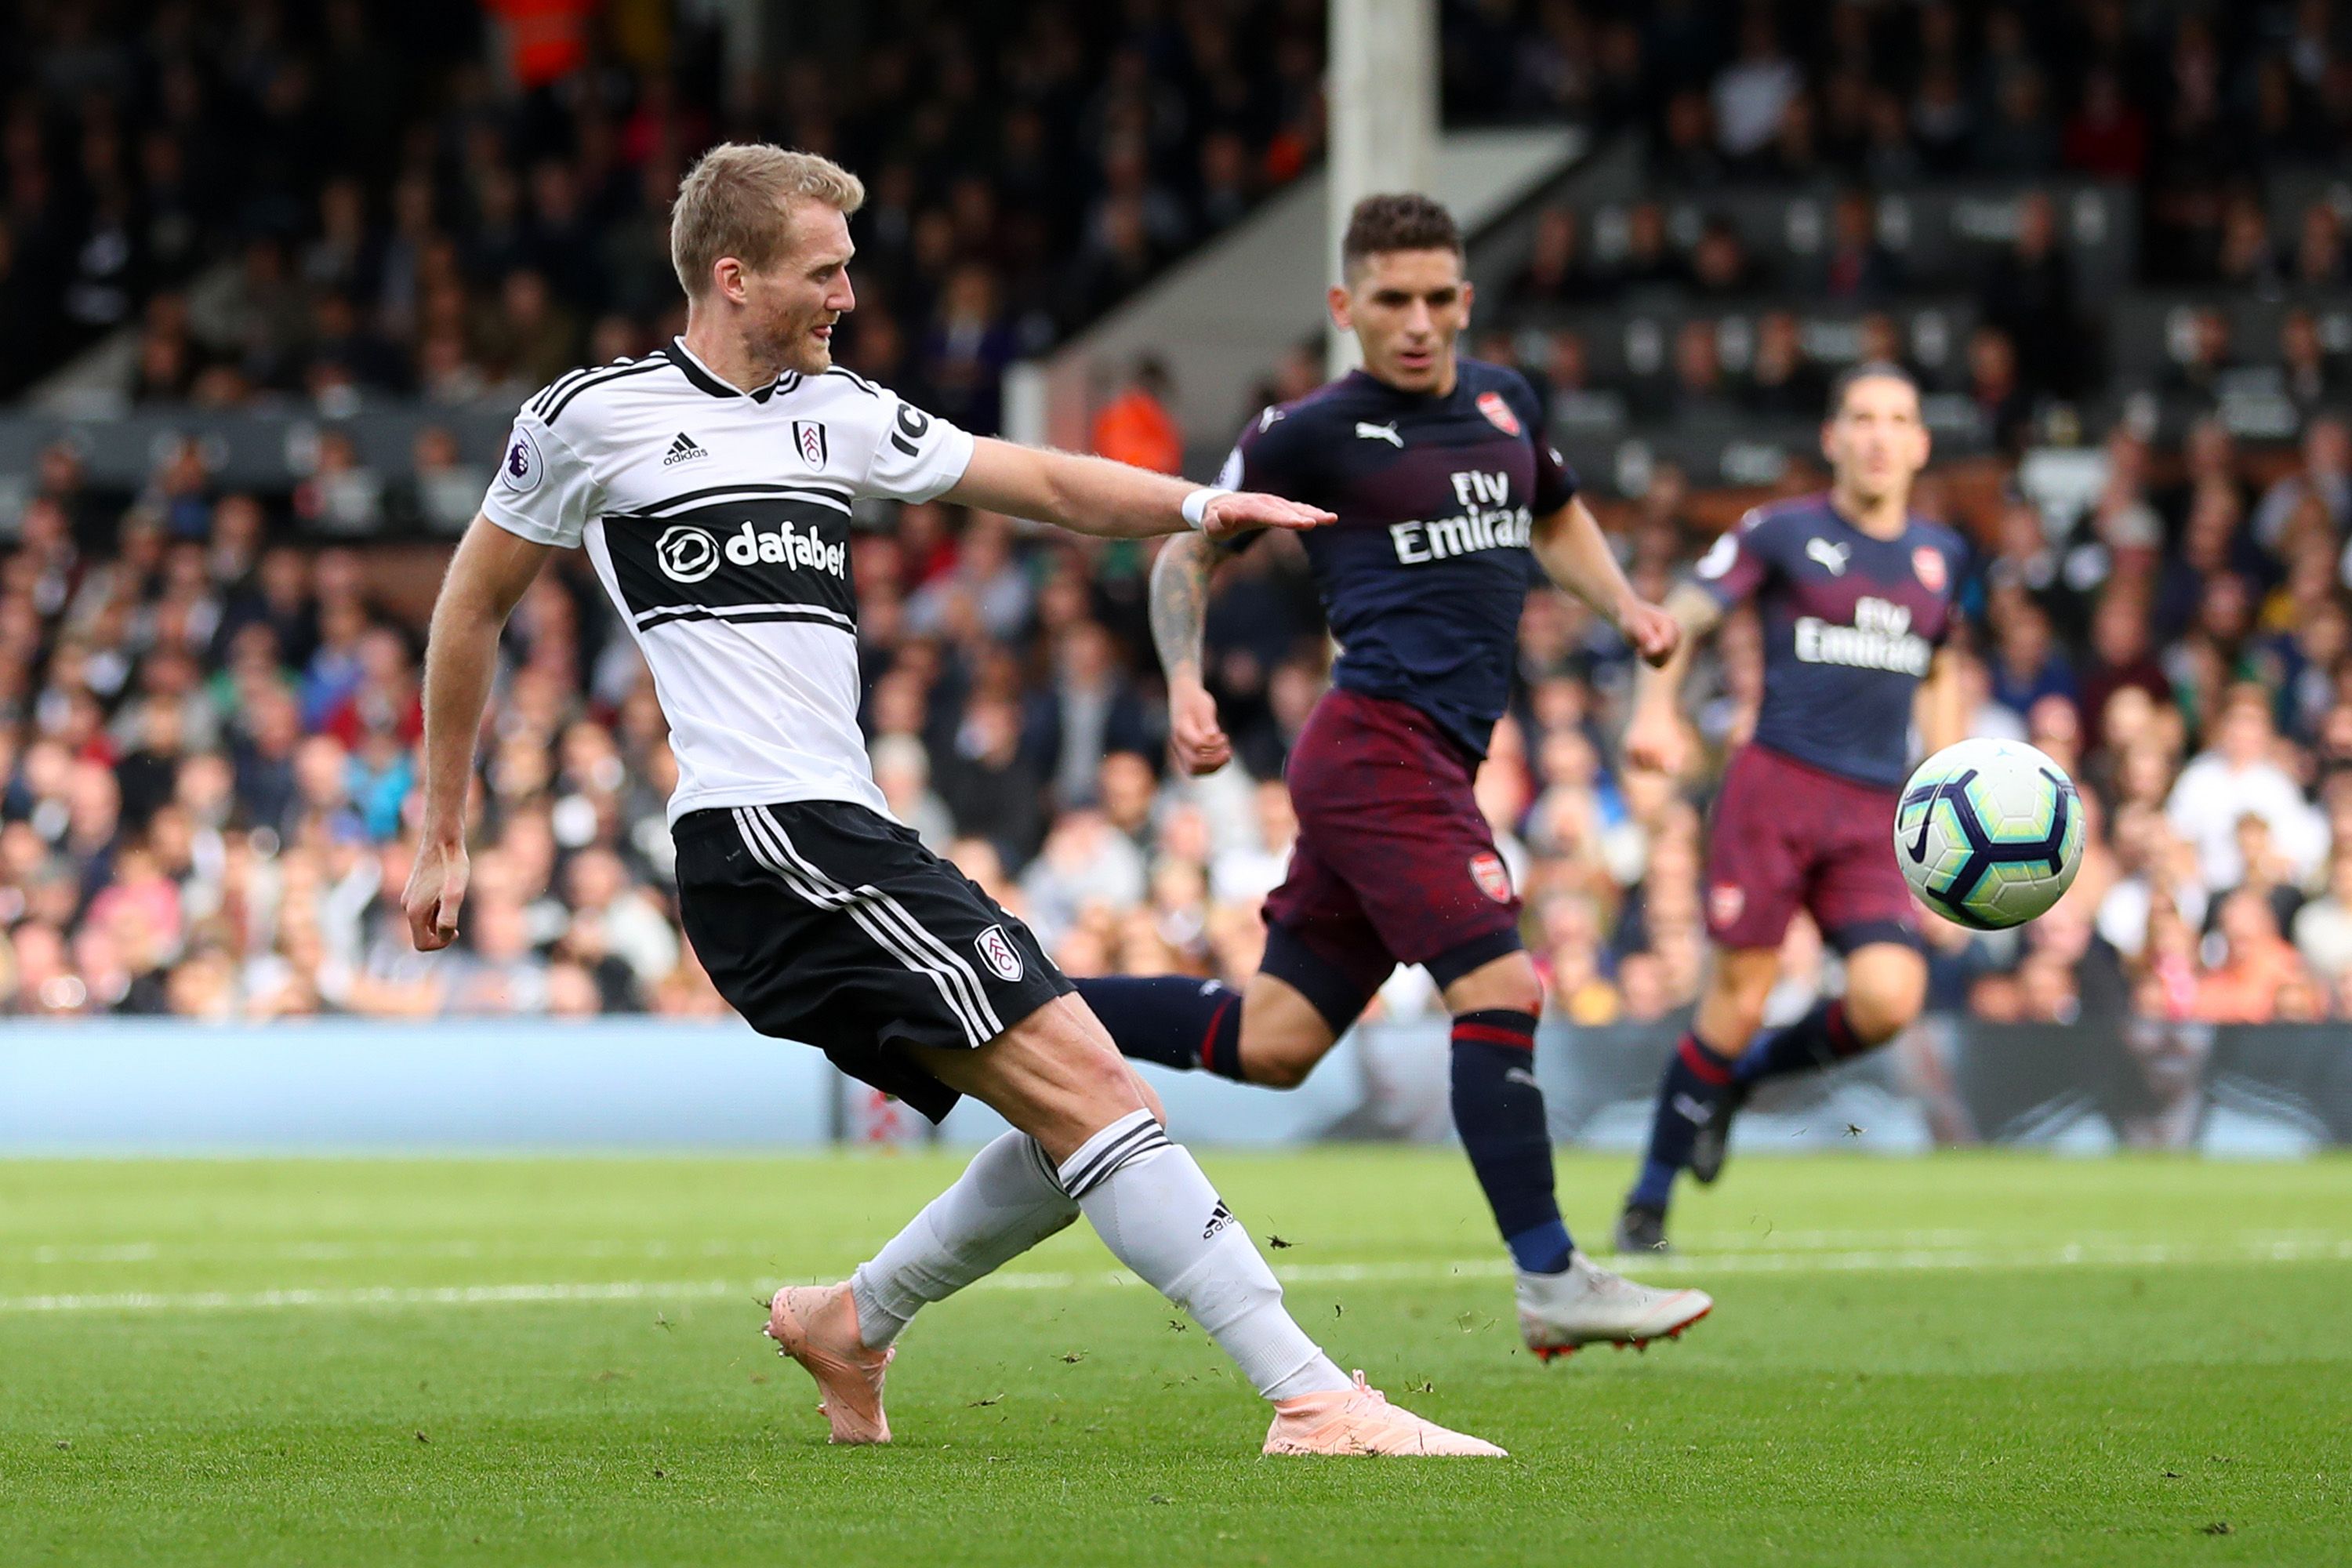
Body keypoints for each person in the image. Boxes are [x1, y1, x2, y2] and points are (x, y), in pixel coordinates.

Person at [404, 144, 1498, 1459]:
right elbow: (471, 603)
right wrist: (444, 830)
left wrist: (1198, 502)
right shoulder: (594, 419)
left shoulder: (837, 410)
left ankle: (853, 1321)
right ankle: (1314, 1397)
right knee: (1098, 1089)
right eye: (826, 271)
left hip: (835, 835)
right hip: (769, 837)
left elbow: (1030, 479)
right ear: (733, 277)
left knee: (1071, 1111)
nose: (849, 296)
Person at [1073, 194, 1715, 1358]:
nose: (1418, 323)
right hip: (1378, 748)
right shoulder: (1307, 432)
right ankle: (1551, 1274)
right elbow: (1189, 543)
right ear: (1344, 307)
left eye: (1437, 299)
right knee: (1504, 988)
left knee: (1272, 1042)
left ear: (1465, 299)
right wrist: (1182, 682)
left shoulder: (1505, 401)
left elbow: (1554, 513)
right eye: (1391, 301)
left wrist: (1622, 603)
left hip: (1428, 758)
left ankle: (1020, 1014)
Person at [1613, 363, 1968, 1251]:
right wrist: (1656, 710)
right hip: (1774, 788)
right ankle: (1647, 1202)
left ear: (1921, 443)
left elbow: (1947, 665)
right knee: (1735, 996)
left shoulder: (1943, 556)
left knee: (1891, 997)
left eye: (1898, 419)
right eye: (1862, 418)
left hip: (1876, 810)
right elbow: (1682, 616)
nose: (1880, 435)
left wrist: (1956, 785)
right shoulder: (1781, 532)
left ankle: (1739, 1081)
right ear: (1833, 436)